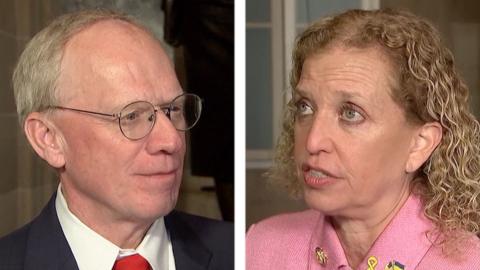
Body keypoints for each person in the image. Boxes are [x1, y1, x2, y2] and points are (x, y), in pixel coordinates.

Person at [246, 9, 480, 270]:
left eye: (351, 113)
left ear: (420, 143)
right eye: (305, 107)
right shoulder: (258, 247)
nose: (313, 142)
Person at [0, 9, 233, 270]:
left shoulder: (240, 252)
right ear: (48, 138)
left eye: (173, 110)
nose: (172, 141)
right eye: (131, 116)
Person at [162, 0, 234, 221]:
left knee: (220, 126)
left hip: (210, 16)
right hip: (207, 17)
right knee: (219, 124)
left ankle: (231, 229)